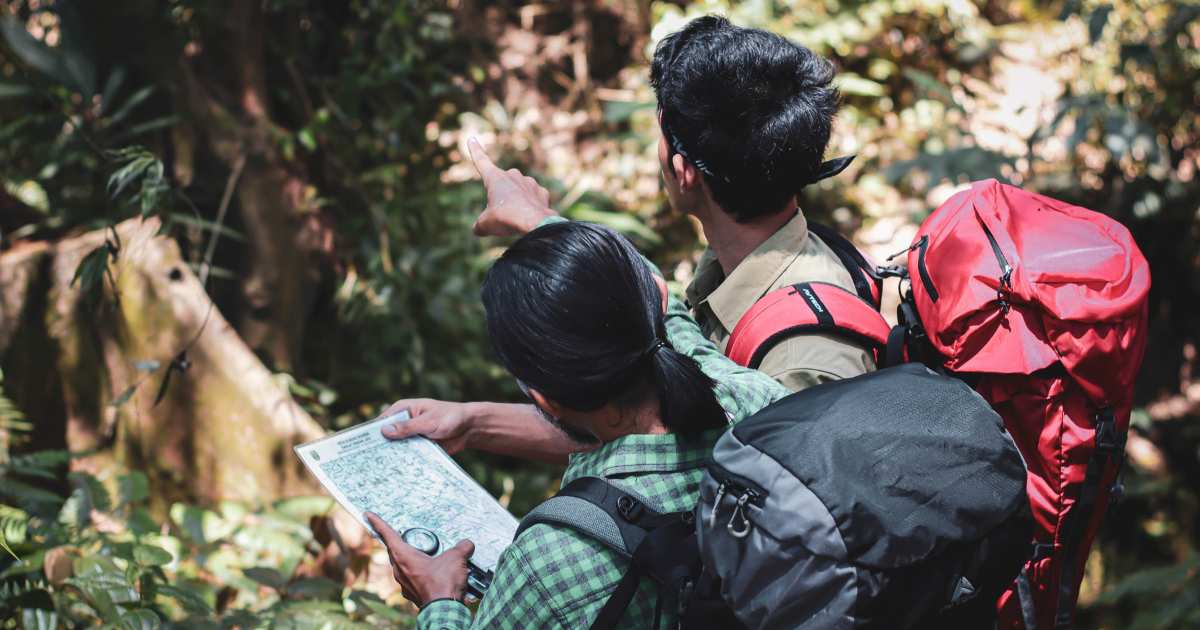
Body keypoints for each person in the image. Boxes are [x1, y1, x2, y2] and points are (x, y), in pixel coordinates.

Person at [368, 221, 788, 628]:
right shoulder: (753, 399)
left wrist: (439, 601)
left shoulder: (549, 564)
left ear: (542, 398)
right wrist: (473, 423)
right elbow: (669, 312)